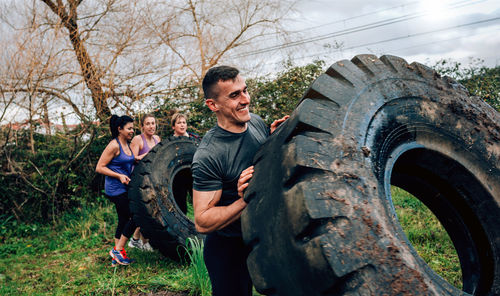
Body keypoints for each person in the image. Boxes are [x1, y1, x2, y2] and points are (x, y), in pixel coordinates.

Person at [191, 65, 288, 296]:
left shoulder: (254, 122)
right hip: (229, 249)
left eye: (245, 90)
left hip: (264, 234)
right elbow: (202, 220)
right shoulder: (209, 155)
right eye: (234, 95)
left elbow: (259, 160)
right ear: (213, 105)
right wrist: (245, 199)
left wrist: (273, 139)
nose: (245, 99)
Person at [96, 115, 137, 266]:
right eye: (129, 128)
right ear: (120, 129)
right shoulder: (114, 145)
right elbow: (99, 167)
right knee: (136, 216)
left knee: (123, 219)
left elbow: (128, 161)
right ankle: (118, 250)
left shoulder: (127, 143)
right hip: (115, 189)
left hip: (124, 187)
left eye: (133, 128)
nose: (132, 131)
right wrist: (119, 175)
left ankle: (116, 258)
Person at [129, 114, 161, 252]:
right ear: (142, 126)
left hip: (153, 179)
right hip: (139, 180)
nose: (151, 126)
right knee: (144, 211)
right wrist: (147, 155)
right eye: (147, 123)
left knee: (152, 211)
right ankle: (142, 241)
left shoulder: (157, 139)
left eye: (153, 123)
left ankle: (137, 240)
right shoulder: (137, 139)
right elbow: (132, 159)